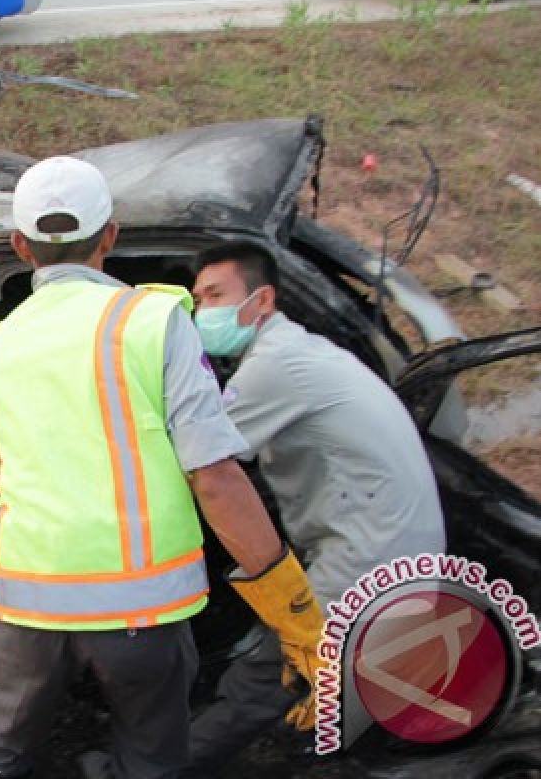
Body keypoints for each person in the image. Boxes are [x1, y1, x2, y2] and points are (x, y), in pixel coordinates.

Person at [0, 156, 326, 779]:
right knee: (152, 755)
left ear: (19, 246)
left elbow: (7, 473)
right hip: (141, 611)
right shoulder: (153, 322)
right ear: (111, 235)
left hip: (25, 604)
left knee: (0, 750)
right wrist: (293, 609)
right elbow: (213, 476)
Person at [186, 243, 447, 771]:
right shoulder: (300, 350)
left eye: (216, 294)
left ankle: (157, 766)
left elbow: (202, 462)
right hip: (398, 546)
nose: (202, 310)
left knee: (266, 676)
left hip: (366, 557)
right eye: (197, 299)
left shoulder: (276, 366)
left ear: (261, 301)